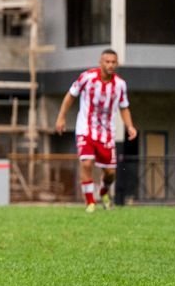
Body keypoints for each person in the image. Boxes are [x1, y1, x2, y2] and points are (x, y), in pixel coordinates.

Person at [54, 49, 137, 212]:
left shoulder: (120, 84)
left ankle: (104, 191)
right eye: (107, 62)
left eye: (113, 62)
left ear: (117, 64)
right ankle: (90, 202)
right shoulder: (87, 77)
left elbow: (124, 107)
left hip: (107, 132)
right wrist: (61, 117)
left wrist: (130, 126)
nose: (110, 65)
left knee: (110, 173)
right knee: (86, 162)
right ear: (100, 63)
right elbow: (71, 95)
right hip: (85, 128)